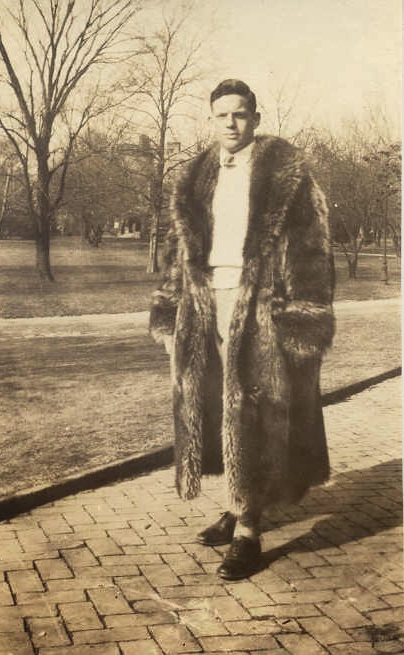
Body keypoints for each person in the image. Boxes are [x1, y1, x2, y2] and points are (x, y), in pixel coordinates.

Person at [149, 79, 335, 580]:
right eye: (221, 115)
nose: (230, 124)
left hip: (261, 310)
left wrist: (303, 323)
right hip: (202, 307)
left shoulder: (288, 176)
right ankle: (237, 504)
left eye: (239, 114)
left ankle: (249, 531)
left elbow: (312, 256)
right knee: (215, 408)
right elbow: (177, 255)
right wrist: (168, 315)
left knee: (253, 413)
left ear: (255, 118)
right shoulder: (194, 177)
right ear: (211, 120)